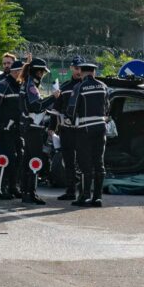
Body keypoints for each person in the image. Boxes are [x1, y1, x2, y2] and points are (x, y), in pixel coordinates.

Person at [64, 61, 109, 207]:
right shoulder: (103, 86)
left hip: (85, 128)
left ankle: (84, 196)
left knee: (85, 164)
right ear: (94, 72)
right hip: (101, 127)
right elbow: (107, 107)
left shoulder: (79, 87)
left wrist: (69, 119)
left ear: (82, 72)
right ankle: (98, 198)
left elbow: (72, 109)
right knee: (99, 163)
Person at [0, 59, 23, 200]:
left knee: (18, 158)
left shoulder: (18, 86)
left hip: (16, 130)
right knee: (5, 159)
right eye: (22, 72)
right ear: (16, 72)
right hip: (4, 130)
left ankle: (13, 187)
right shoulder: (2, 85)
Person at [17, 57, 53, 205]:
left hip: (29, 127)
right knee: (34, 160)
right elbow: (36, 105)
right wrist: (53, 97)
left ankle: (27, 192)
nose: (43, 74)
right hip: (33, 128)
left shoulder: (28, 83)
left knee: (28, 160)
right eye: (43, 72)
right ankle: (30, 193)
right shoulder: (30, 84)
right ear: (38, 72)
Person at [52, 57, 86, 201]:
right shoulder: (64, 88)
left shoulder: (87, 86)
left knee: (84, 162)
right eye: (76, 68)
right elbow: (56, 109)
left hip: (83, 131)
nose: (79, 71)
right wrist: (51, 128)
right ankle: (70, 191)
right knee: (69, 162)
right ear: (71, 68)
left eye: (81, 69)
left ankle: (84, 192)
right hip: (66, 130)